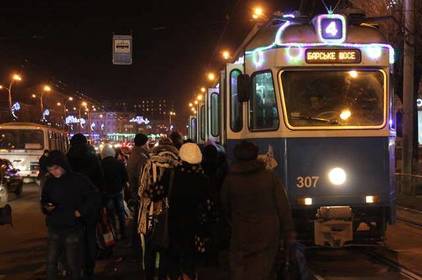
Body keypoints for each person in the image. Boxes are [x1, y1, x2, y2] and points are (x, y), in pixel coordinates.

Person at [221, 141, 294, 280]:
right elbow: (283, 206)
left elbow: (225, 206)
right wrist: (288, 232)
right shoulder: (270, 177)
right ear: (256, 155)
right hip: (267, 234)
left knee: (241, 270)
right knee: (264, 270)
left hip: (241, 233)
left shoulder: (230, 180)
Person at [41, 151, 99, 280]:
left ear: (62, 165)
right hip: (54, 225)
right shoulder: (50, 182)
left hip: (73, 227)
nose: (53, 172)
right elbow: (44, 199)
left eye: (56, 168)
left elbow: (93, 196)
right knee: (51, 262)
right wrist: (46, 207)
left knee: (73, 263)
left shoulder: (78, 179)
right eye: (50, 170)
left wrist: (81, 211)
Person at [166, 143, 210, 280]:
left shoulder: (172, 174)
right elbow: (208, 203)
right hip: (194, 225)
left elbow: (156, 193)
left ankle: (175, 275)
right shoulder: (202, 177)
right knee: (190, 255)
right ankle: (188, 275)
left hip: (174, 222)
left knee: (174, 252)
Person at [66, 134, 103, 279]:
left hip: (73, 204)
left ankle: (75, 268)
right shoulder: (93, 157)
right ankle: (89, 268)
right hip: (91, 204)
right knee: (90, 236)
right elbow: (100, 180)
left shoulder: (67, 159)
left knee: (73, 236)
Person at [101, 145, 128, 239]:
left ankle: (114, 233)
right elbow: (125, 176)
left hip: (107, 193)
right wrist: (121, 185)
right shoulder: (119, 163)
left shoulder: (100, 164)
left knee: (111, 213)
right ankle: (124, 232)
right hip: (118, 190)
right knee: (121, 212)